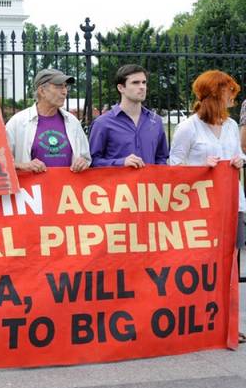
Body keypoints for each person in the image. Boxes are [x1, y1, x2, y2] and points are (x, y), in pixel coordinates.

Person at [168, 70, 246, 342]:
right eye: (229, 93)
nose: (233, 98)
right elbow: (173, 166)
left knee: (230, 264)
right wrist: (200, 168)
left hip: (233, 203)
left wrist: (240, 161)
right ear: (215, 95)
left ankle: (229, 321)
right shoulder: (188, 127)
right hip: (200, 208)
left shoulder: (232, 126)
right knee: (200, 264)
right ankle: (198, 319)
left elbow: (238, 154)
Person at [5, 68, 91, 173]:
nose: (65, 92)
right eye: (59, 86)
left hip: (67, 188)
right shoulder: (17, 122)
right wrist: (23, 166)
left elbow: (86, 158)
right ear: (42, 91)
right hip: (31, 188)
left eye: (65, 86)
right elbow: (1, 163)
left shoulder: (73, 122)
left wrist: (83, 162)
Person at [89, 64, 169, 168]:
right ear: (121, 88)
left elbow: (161, 158)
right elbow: (92, 161)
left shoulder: (156, 121)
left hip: (148, 183)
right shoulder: (102, 123)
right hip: (116, 183)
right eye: (135, 83)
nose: (142, 87)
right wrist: (121, 163)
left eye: (144, 82)